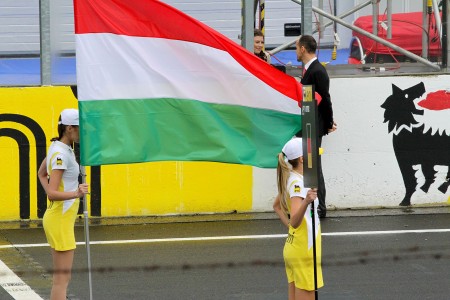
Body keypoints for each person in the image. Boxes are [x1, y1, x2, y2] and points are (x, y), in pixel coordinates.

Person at [38, 108, 89, 300]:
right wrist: (76, 193)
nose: (82, 133)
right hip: (59, 220)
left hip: (58, 218)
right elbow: (52, 193)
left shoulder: (57, 148)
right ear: (69, 128)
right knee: (62, 280)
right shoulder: (61, 154)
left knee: (61, 278)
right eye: (79, 129)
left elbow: (41, 174)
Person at [273, 137, 323, 300]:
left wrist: (291, 228)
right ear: (302, 159)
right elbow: (295, 221)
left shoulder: (292, 177)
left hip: (296, 246)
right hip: (304, 249)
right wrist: (307, 201)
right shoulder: (299, 183)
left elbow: (277, 206)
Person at [295, 35, 337, 218]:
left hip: (314, 125)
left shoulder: (317, 71)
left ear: (303, 49)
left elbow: (325, 100)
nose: (296, 51)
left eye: (297, 47)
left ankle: (320, 207)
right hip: (309, 123)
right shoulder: (309, 70)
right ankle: (314, 205)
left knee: (314, 167)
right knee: (310, 167)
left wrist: (328, 123)